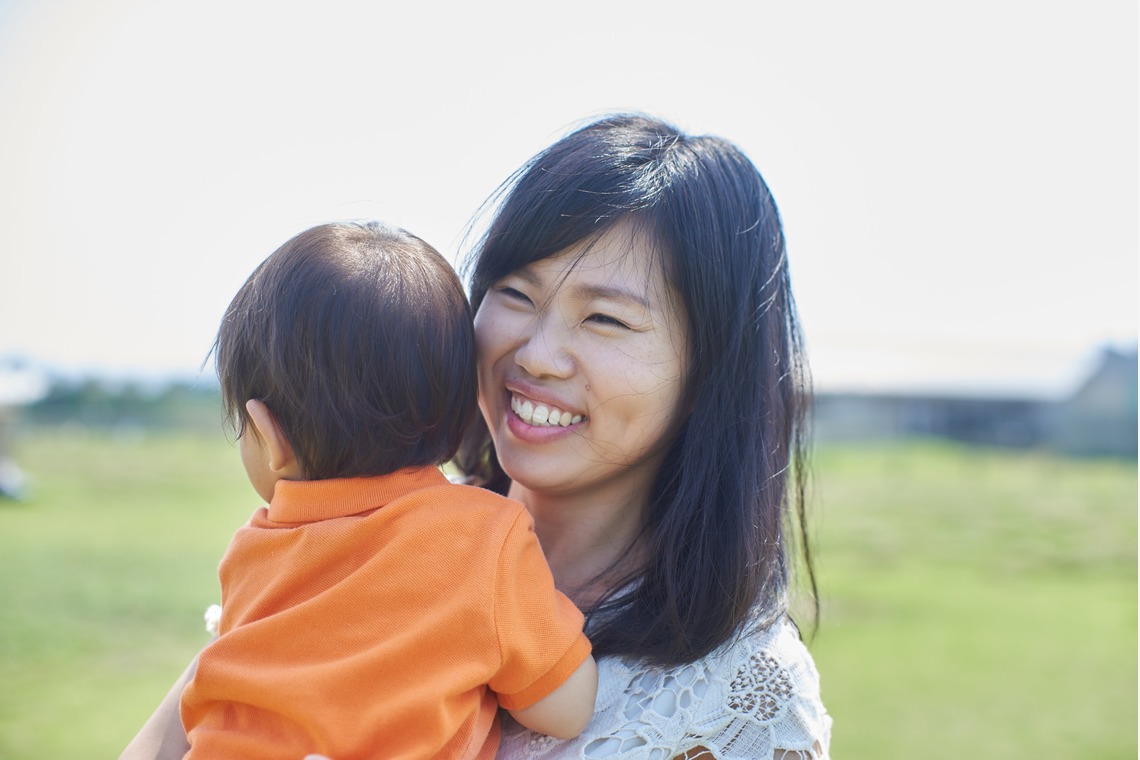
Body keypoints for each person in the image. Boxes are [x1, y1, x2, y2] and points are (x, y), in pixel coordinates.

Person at [124, 112, 831, 759]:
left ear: (710, 372)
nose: (536, 355)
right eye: (516, 294)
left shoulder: (744, 703)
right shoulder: (351, 553)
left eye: (605, 319)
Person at [149, 221, 598, 760]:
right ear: (458, 418)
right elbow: (565, 709)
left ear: (269, 437)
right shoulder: (484, 537)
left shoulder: (255, 550)